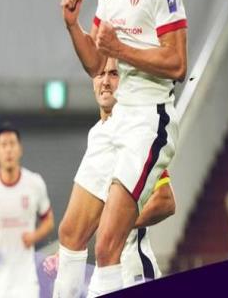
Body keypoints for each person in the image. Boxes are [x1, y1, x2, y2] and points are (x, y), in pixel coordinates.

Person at [58, 0, 187, 296]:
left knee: (108, 245)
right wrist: (73, 27)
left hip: (149, 117)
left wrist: (121, 50)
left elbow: (178, 64)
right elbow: (97, 64)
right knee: (70, 233)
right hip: (117, 117)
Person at [49, 58, 175, 296]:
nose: (105, 81)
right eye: (100, 74)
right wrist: (68, 254)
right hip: (105, 271)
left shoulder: (136, 133)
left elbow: (165, 200)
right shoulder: (97, 134)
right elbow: (91, 217)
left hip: (134, 271)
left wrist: (116, 225)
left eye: (114, 74)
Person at [0, 123, 55, 298]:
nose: (8, 149)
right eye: (3, 145)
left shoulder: (34, 183)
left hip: (27, 281)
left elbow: (49, 221)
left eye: (12, 144)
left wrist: (34, 236)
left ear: (20, 149)